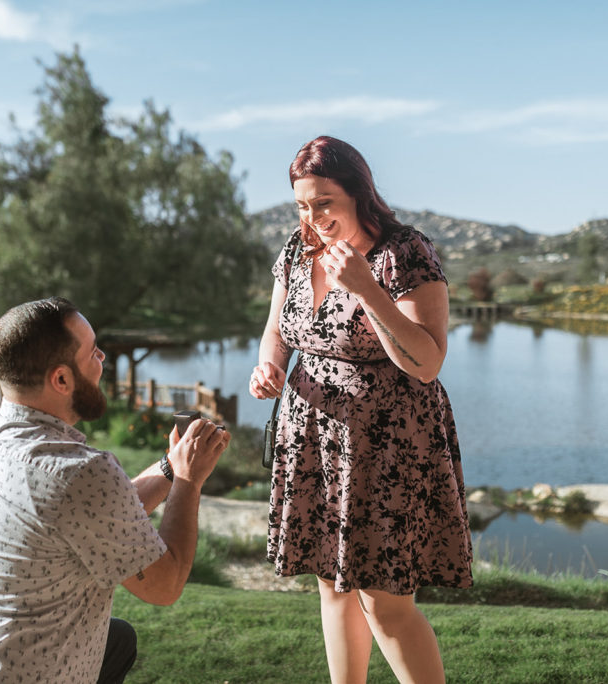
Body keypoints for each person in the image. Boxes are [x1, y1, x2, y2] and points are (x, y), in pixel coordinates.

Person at [0, 297, 230, 683]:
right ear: (61, 379)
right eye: (93, 352)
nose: (103, 357)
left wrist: (171, 467)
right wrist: (190, 480)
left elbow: (101, 516)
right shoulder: (79, 472)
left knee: (117, 638)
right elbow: (165, 585)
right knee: (118, 636)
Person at [249, 136, 472, 684]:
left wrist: (368, 290)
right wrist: (269, 366)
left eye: (324, 201)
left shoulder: (406, 252)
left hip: (387, 443)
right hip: (314, 435)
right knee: (331, 585)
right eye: (303, 204)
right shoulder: (298, 249)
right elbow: (278, 328)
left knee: (385, 602)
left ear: (359, 193)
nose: (313, 216)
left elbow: (427, 362)